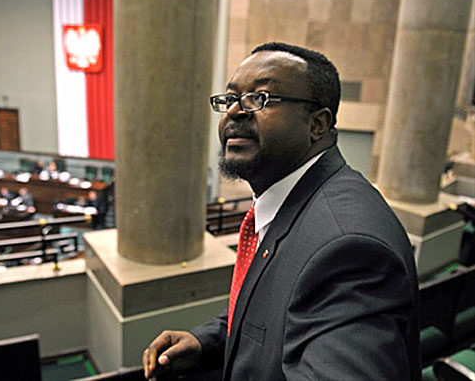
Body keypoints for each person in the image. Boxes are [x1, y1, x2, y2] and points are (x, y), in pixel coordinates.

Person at [143, 42, 420, 380]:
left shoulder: (348, 249)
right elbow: (278, 310)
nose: (235, 111)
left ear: (317, 124)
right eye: (230, 99)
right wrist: (208, 342)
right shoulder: (292, 203)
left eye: (260, 98)